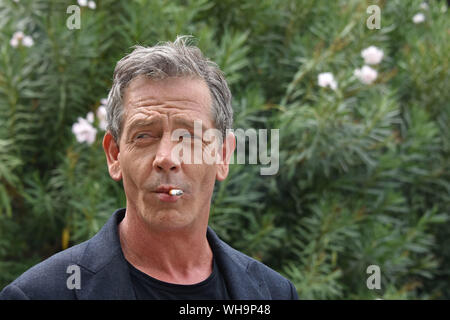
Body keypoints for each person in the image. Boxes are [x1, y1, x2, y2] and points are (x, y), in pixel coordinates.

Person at [0, 36, 298, 300]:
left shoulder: (275, 293)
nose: (166, 157)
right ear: (114, 155)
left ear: (222, 156)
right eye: (144, 135)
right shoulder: (40, 294)